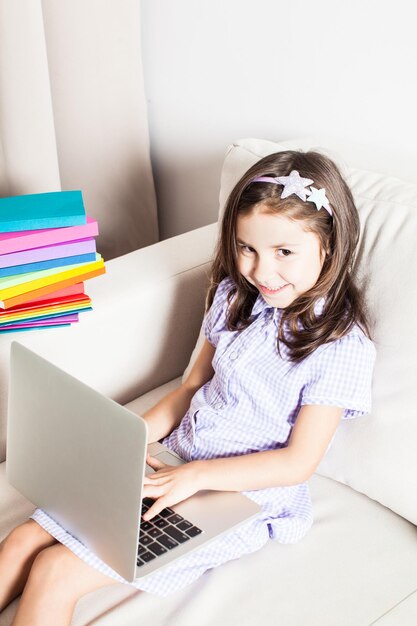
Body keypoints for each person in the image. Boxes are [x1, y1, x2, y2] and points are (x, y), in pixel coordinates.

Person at [0, 150, 376, 625]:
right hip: (179, 459)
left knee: (55, 570)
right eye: (247, 248)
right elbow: (192, 386)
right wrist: (129, 437)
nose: (261, 271)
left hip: (239, 494)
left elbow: (297, 463)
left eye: (284, 252)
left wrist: (193, 479)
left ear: (330, 246)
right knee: (21, 541)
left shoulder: (341, 347)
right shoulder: (235, 297)